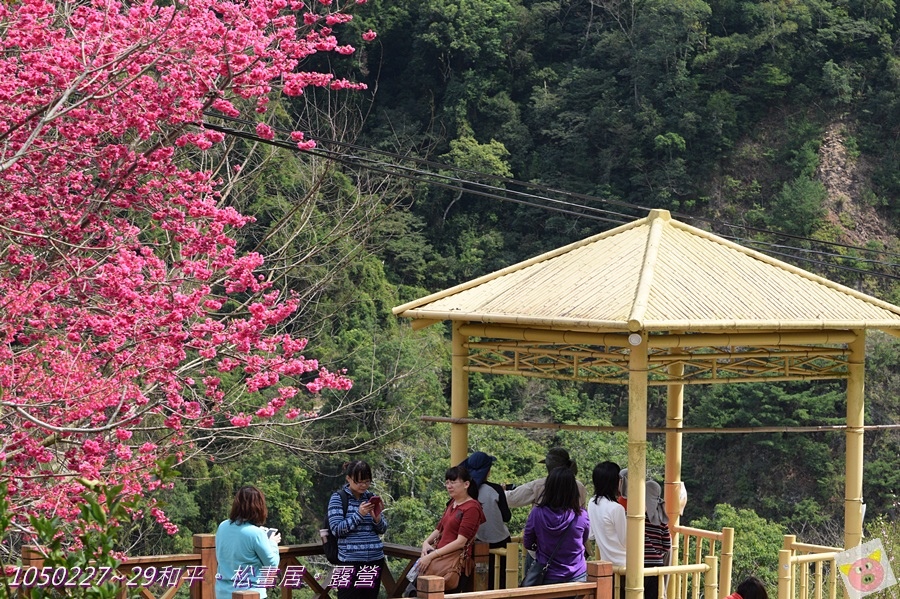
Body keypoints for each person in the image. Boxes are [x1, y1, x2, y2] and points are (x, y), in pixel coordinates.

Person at [407, 466, 486, 596]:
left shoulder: (472, 508)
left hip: (452, 564)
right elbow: (439, 529)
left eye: (453, 482)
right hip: (437, 560)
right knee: (415, 592)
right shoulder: (453, 503)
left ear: (466, 484)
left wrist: (431, 555)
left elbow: (461, 542)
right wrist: (425, 543)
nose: (449, 486)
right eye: (447, 482)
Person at [328, 460, 389, 599]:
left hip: (374, 560)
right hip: (349, 561)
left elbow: (382, 529)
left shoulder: (370, 497)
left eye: (367, 481)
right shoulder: (338, 498)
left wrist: (377, 518)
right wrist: (359, 514)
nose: (363, 485)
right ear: (348, 478)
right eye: (359, 481)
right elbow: (336, 529)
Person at [522, 466, 591, 584]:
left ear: (548, 488)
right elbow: (583, 539)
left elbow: (527, 541)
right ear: (573, 490)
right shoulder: (581, 515)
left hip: (547, 576)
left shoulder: (537, 513)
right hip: (577, 577)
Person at [215, 485, 281, 599]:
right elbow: (272, 565)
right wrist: (272, 543)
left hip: (223, 593)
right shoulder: (256, 534)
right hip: (251, 593)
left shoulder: (223, 526)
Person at [460, 451, 511, 589]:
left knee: (476, 583)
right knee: (500, 582)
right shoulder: (495, 489)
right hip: (500, 542)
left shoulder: (463, 492)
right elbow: (507, 517)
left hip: (474, 545)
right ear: (488, 471)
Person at [506, 447, 587, 508]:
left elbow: (511, 499)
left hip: (543, 530)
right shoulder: (579, 486)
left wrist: (501, 490)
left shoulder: (539, 485)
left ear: (548, 466)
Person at [643, 480, 671, 599]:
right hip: (657, 567)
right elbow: (667, 545)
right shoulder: (662, 519)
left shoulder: (639, 517)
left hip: (641, 564)